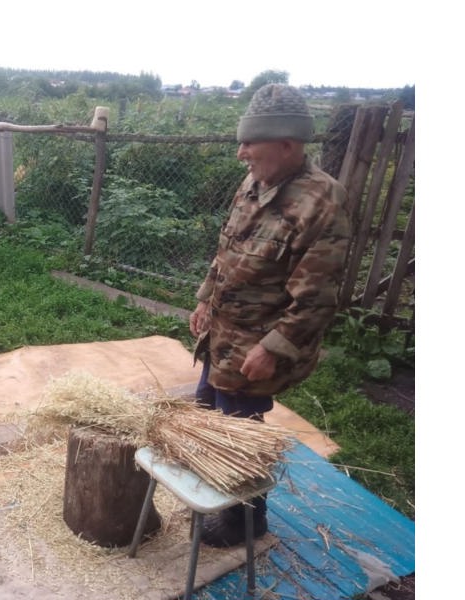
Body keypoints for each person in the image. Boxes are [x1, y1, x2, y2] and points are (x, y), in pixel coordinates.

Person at [188, 84, 351, 547]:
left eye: (249, 143)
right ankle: (218, 493)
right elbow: (226, 248)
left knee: (241, 430)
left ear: (287, 145)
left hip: (256, 344)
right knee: (207, 413)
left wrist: (272, 348)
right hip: (223, 333)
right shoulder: (257, 181)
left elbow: (317, 296)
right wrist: (204, 298)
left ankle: (246, 521)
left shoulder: (322, 200)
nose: (241, 154)